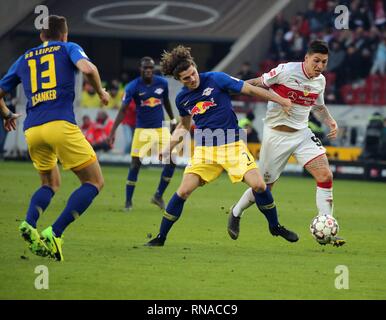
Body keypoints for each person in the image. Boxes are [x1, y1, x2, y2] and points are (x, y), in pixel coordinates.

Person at [146, 45, 298, 247]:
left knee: (259, 185)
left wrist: (282, 101)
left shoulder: (216, 78)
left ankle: (275, 226)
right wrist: (169, 147)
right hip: (205, 150)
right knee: (183, 192)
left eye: (192, 73)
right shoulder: (182, 98)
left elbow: (251, 89)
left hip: (233, 145)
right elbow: (183, 127)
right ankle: (160, 238)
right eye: (186, 79)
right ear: (179, 81)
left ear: (194, 66)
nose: (192, 79)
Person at [0, 15, 110, 261]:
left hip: (32, 130)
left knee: (50, 184)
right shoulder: (68, 48)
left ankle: (29, 223)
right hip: (59, 124)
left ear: (41, 36)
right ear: (64, 35)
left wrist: (6, 113)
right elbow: (88, 68)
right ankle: (55, 233)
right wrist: (101, 92)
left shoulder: (24, 58)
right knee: (94, 182)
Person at [228, 40, 345, 247]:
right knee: (264, 189)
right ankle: (236, 212)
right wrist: (234, 87)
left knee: (325, 175)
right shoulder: (286, 70)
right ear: (306, 58)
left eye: (324, 62)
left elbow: (319, 107)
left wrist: (330, 121)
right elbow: (259, 82)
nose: (319, 66)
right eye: (316, 61)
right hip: (275, 136)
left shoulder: (320, 81)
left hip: (302, 135)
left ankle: (327, 227)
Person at [108, 57, 177, 210]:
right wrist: (113, 131)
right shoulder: (132, 87)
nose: (148, 70)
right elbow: (123, 110)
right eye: (145, 68)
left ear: (154, 69)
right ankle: (128, 202)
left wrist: (172, 119)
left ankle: (158, 196)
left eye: (151, 68)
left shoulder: (162, 83)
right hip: (142, 130)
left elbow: (165, 101)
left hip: (160, 129)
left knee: (172, 160)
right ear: (140, 69)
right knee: (135, 165)